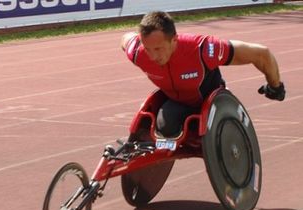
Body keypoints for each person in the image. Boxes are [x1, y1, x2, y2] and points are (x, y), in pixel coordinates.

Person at [120, 11, 286, 138]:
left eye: (158, 49)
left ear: (174, 40)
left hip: (212, 104)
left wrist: (275, 86)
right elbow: (126, 38)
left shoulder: (202, 49)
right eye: (148, 48)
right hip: (178, 104)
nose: (153, 56)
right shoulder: (137, 52)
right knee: (164, 123)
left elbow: (261, 54)